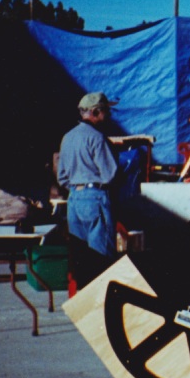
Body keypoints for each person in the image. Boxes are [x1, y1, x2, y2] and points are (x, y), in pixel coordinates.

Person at [57, 91, 119, 258]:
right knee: (101, 255)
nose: (109, 115)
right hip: (95, 199)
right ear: (96, 112)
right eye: (107, 110)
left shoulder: (68, 137)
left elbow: (62, 176)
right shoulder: (97, 138)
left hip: (74, 199)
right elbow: (110, 174)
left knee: (80, 257)